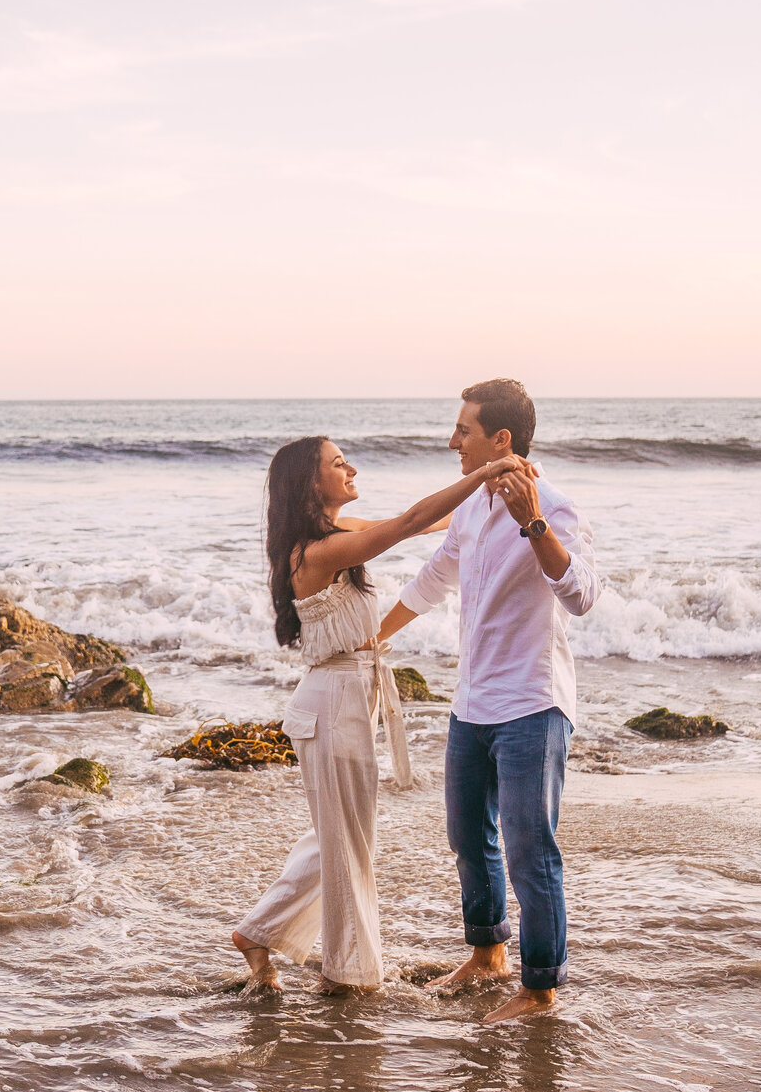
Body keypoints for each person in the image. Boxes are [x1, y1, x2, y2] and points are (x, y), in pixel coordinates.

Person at [232, 436, 531, 993]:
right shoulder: (314, 551)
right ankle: (347, 974)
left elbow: (425, 523)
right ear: (310, 483)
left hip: (346, 698)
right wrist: (486, 468)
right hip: (331, 704)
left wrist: (490, 492)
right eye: (336, 463)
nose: (349, 468)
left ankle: (259, 932)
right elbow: (406, 521)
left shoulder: (335, 535)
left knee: (337, 837)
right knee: (348, 844)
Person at [379, 378, 599, 1024]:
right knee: (469, 838)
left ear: (500, 439)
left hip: (532, 704)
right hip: (471, 703)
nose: (453, 441)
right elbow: (434, 577)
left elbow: (582, 595)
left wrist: (530, 520)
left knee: (532, 848)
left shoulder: (556, 508)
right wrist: (372, 636)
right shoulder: (473, 504)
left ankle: (540, 988)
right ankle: (487, 955)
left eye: (464, 430)